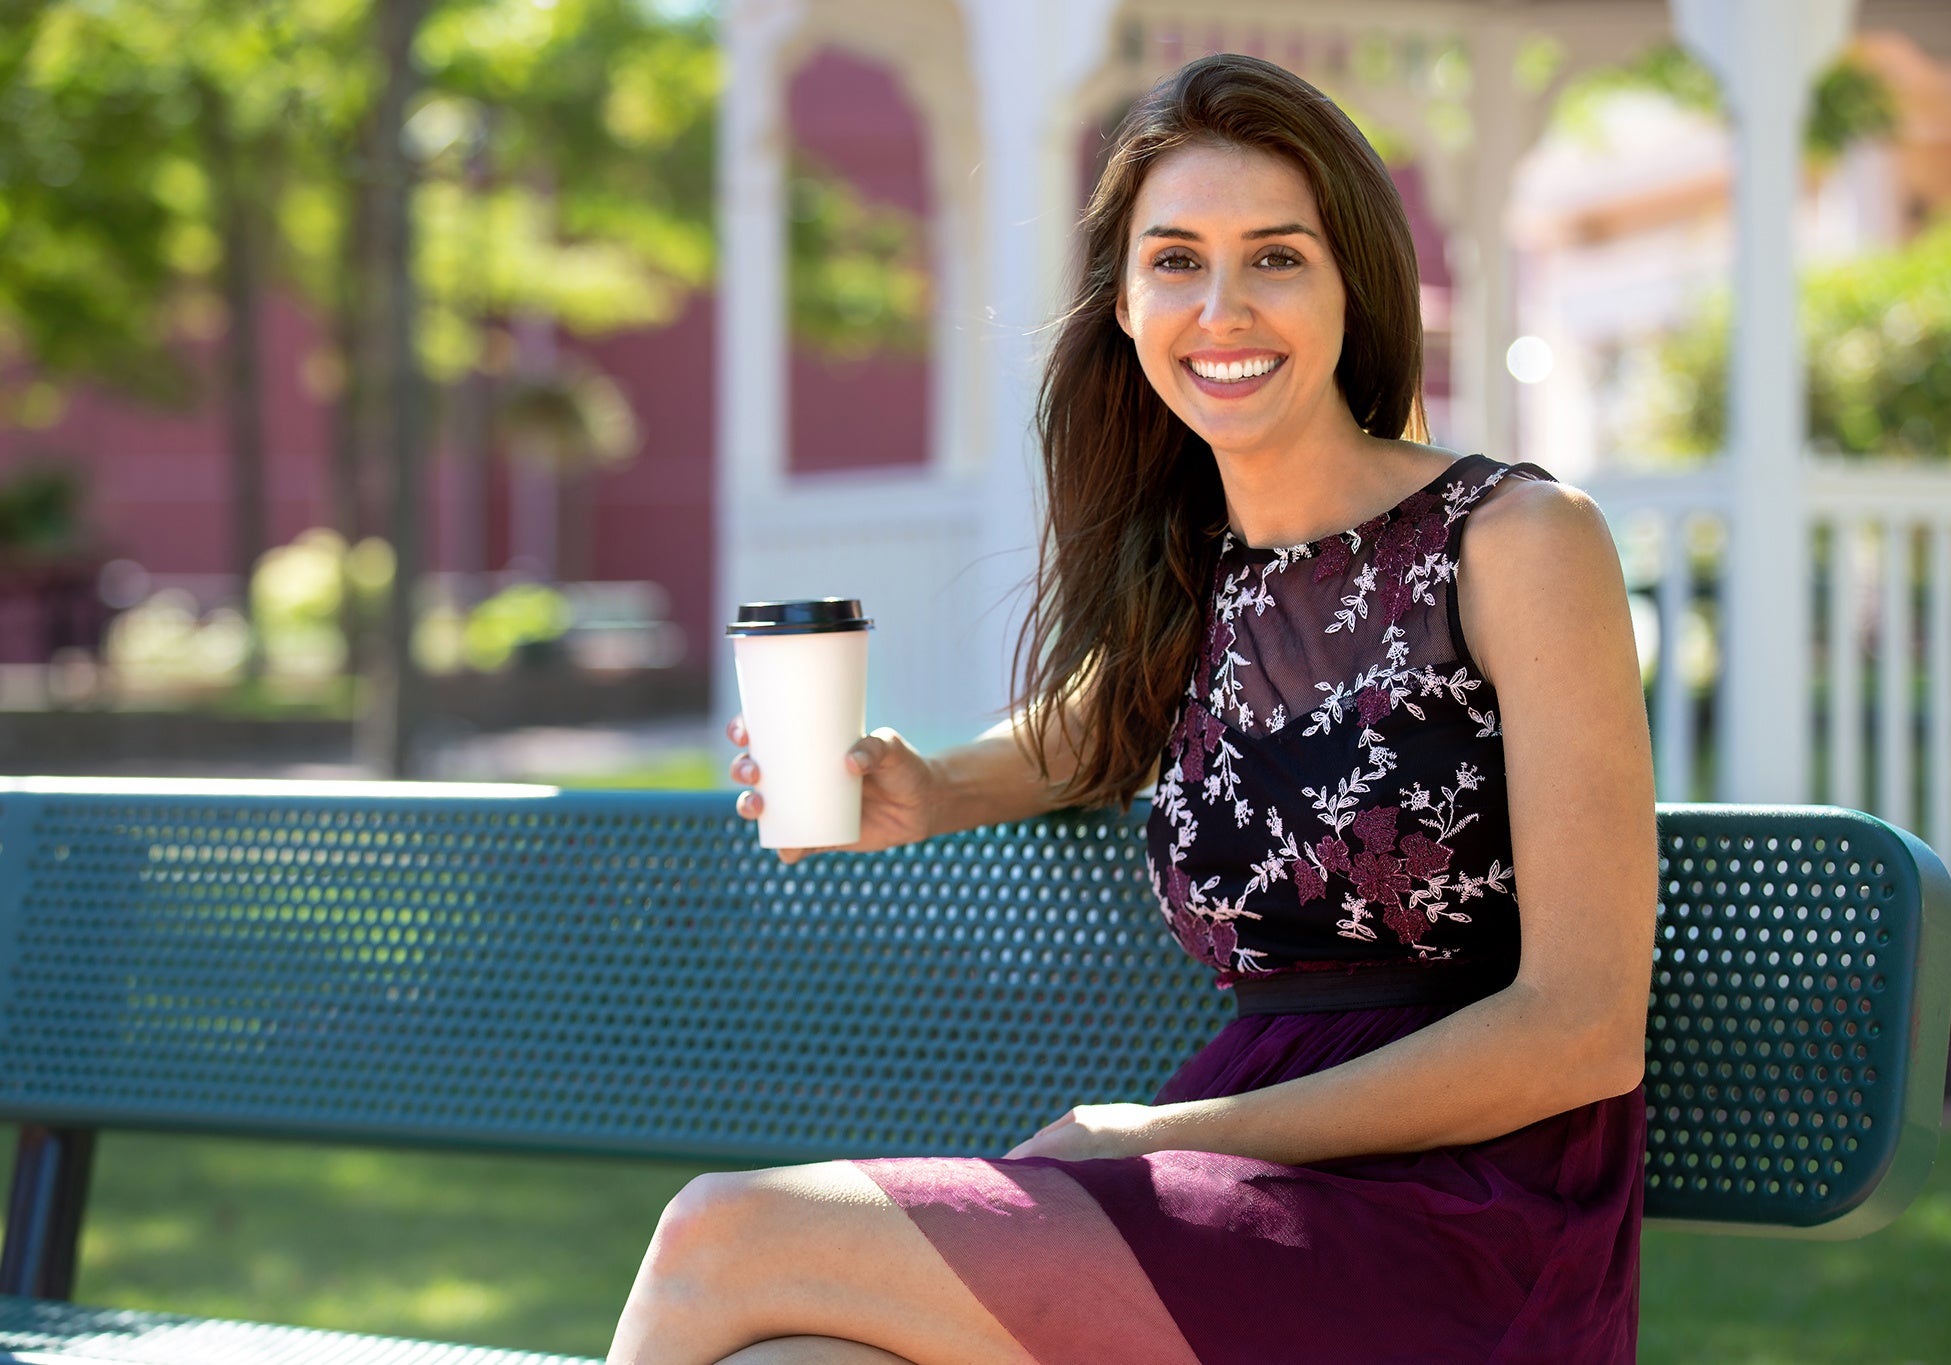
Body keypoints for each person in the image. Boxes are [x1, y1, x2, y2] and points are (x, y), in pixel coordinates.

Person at [607, 51, 1655, 1365]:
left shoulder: (1516, 538)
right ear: (1122, 300)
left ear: (1351, 287)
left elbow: (1586, 1029)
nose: (1222, 306)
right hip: (1232, 1199)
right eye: (1175, 260)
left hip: (1459, 1228)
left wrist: (1159, 1135)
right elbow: (1084, 731)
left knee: (723, 1233)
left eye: (1276, 256)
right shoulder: (1200, 574)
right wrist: (925, 786)